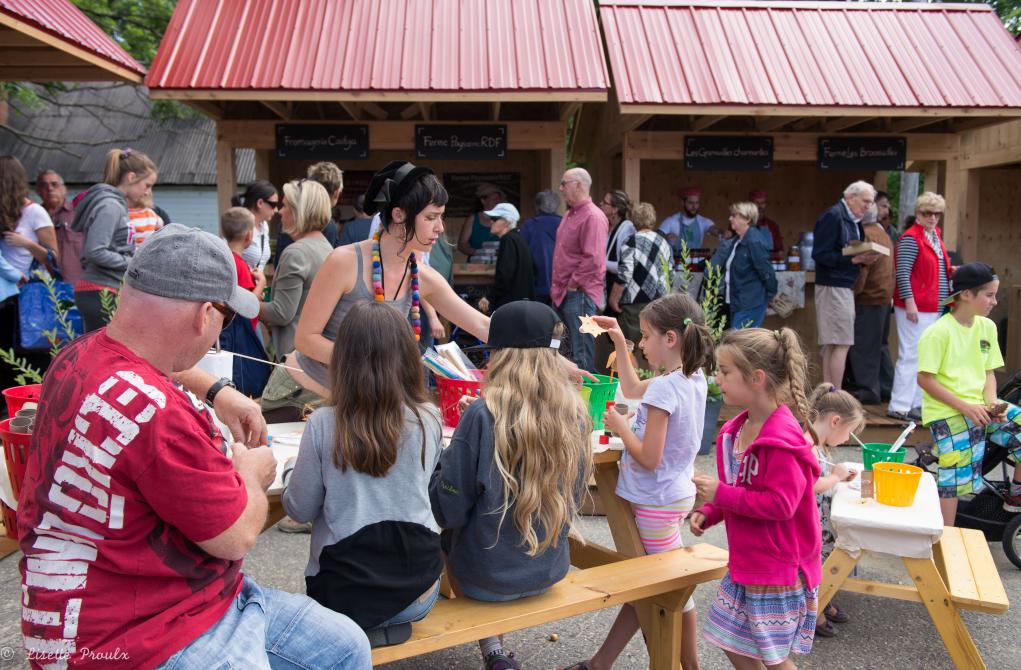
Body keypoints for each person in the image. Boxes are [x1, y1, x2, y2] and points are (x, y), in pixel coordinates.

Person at [17, 224, 371, 670]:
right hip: (140, 637)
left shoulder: (79, 355)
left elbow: (153, 363)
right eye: (225, 317)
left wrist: (218, 389)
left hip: (112, 609)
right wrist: (251, 474)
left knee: (345, 646)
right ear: (205, 315)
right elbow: (235, 537)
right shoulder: (158, 415)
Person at [430, 301, 592, 670]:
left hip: (485, 580)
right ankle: (495, 652)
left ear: (501, 356)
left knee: (442, 535)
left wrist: (445, 460)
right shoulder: (577, 413)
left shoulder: (482, 414)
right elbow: (577, 494)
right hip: (549, 571)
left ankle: (494, 650)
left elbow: (448, 509)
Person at [282, 301, 443, 647]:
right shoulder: (429, 418)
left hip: (343, 592)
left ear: (343, 359)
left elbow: (298, 509)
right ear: (407, 357)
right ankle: (380, 625)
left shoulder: (324, 424)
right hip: (418, 591)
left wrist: (291, 470)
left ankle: (362, 629)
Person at [570, 294, 714, 670]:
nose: (643, 344)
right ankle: (600, 663)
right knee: (653, 584)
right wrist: (619, 339)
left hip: (656, 499)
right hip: (669, 495)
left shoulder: (668, 386)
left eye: (646, 337)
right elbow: (633, 390)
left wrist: (619, 425)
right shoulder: (690, 377)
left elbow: (649, 458)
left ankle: (683, 665)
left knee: (665, 591)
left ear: (670, 339)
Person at [692, 327, 821, 670]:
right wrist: (710, 510)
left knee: (774, 660)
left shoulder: (781, 440)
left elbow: (781, 505)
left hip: (777, 569)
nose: (717, 378)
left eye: (724, 371)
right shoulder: (734, 431)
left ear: (757, 377)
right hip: (750, 562)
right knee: (732, 642)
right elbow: (740, 490)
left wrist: (721, 494)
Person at [917, 262, 1021, 523]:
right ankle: (945, 540)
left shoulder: (987, 328)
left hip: (982, 408)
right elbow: (925, 379)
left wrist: (992, 404)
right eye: (989, 295)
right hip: (948, 414)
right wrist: (966, 408)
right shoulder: (937, 333)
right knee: (955, 479)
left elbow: (988, 373)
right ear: (966, 294)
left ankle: (1016, 495)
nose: (995, 302)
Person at [803, 384, 865, 639]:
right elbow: (809, 486)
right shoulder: (806, 444)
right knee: (816, 565)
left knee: (824, 562)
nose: (848, 438)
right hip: (811, 521)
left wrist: (836, 476)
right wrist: (834, 478)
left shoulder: (816, 442)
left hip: (820, 519)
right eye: (849, 431)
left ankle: (823, 599)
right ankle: (814, 613)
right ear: (835, 421)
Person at [71, 148, 156, 332]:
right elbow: (94, 251)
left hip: (107, 289)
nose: (147, 192)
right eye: (147, 185)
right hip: (100, 291)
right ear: (131, 177)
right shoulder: (109, 206)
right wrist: (132, 262)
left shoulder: (116, 204)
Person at [889, 192, 952, 422]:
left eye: (937, 213)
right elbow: (903, 272)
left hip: (933, 305)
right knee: (911, 354)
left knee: (924, 356)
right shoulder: (910, 238)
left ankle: (915, 404)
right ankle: (899, 405)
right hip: (915, 306)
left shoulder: (933, 236)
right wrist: (910, 302)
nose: (933, 217)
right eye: (927, 213)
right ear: (918, 213)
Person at [811, 181, 880, 390]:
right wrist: (854, 260)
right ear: (851, 197)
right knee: (841, 341)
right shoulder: (833, 216)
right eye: (865, 201)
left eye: (871, 202)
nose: (869, 206)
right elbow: (820, 254)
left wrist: (861, 258)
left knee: (835, 342)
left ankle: (829, 392)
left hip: (843, 284)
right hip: (833, 285)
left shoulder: (852, 220)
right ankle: (835, 393)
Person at [259, 179, 333, 363]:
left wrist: (246, 302)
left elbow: (281, 313)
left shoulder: (296, 252)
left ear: (299, 211)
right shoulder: (327, 248)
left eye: (284, 206)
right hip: (317, 355)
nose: (280, 212)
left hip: (295, 357)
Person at [551, 168, 608, 373]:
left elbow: (593, 260)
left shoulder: (593, 216)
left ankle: (587, 403)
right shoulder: (570, 214)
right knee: (564, 352)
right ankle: (568, 402)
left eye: (564, 183)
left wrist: (573, 284)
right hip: (565, 293)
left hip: (579, 294)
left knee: (581, 353)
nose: (560, 188)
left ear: (578, 185)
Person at [607, 202, 673, 370]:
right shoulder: (663, 242)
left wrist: (614, 298)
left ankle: (631, 388)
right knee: (655, 347)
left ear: (634, 220)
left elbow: (625, 273)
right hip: (659, 303)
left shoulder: (632, 241)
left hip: (635, 303)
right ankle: (654, 386)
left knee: (629, 347)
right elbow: (669, 272)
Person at [846, 205, 894, 405]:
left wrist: (853, 292)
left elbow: (863, 269)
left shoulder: (866, 234)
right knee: (879, 346)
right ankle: (885, 388)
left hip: (868, 297)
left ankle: (868, 391)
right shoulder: (883, 233)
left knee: (864, 348)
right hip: (883, 297)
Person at [708, 202, 778, 330]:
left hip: (749, 304)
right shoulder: (737, 241)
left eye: (734, 215)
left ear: (747, 219)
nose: (730, 219)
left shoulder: (754, 241)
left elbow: (767, 272)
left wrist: (771, 294)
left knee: (740, 345)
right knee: (738, 344)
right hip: (737, 302)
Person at [276, 162, 343, 263]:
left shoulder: (289, 218)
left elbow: (279, 262)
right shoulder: (328, 224)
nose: (280, 211)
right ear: (337, 193)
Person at [478, 203, 534, 314]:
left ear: (507, 222)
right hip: (523, 304)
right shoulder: (518, 239)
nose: (491, 222)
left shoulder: (507, 240)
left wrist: (490, 297)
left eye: (495, 219)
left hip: (511, 306)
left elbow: (505, 275)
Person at [35, 169, 84, 285]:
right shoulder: (33, 216)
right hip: (44, 284)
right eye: (44, 185)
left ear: (64, 189)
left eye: (54, 184)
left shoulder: (79, 214)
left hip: (77, 282)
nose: (50, 189)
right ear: (38, 191)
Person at [221, 207, 266, 331]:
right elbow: (247, 303)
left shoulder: (226, 259)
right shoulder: (240, 265)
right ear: (248, 235)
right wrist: (261, 283)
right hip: (242, 330)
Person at [518, 189, 561, 305]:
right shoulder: (565, 224)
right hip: (562, 285)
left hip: (537, 284)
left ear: (537, 206)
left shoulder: (529, 225)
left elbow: (520, 253)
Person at [600, 189, 636, 312]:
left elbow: (625, 265)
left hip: (619, 293)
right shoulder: (608, 226)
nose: (601, 204)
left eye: (605, 202)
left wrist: (600, 263)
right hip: (608, 288)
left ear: (615, 209)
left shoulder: (626, 229)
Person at [232, 180, 279, 272]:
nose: (276, 210)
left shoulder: (264, 226)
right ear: (260, 203)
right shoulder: (239, 226)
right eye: (274, 205)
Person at [658, 186, 717, 255]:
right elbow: (656, 236)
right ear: (683, 203)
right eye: (691, 203)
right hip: (676, 262)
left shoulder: (703, 221)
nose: (694, 207)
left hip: (696, 262)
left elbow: (713, 229)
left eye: (697, 203)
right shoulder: (672, 221)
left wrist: (720, 232)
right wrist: (665, 237)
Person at [457, 182, 503, 257]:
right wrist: (479, 253)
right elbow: (462, 245)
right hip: (477, 266)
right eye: (494, 199)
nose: (497, 202)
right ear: (483, 201)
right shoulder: (473, 219)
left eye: (499, 199)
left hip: (500, 265)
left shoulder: (504, 220)